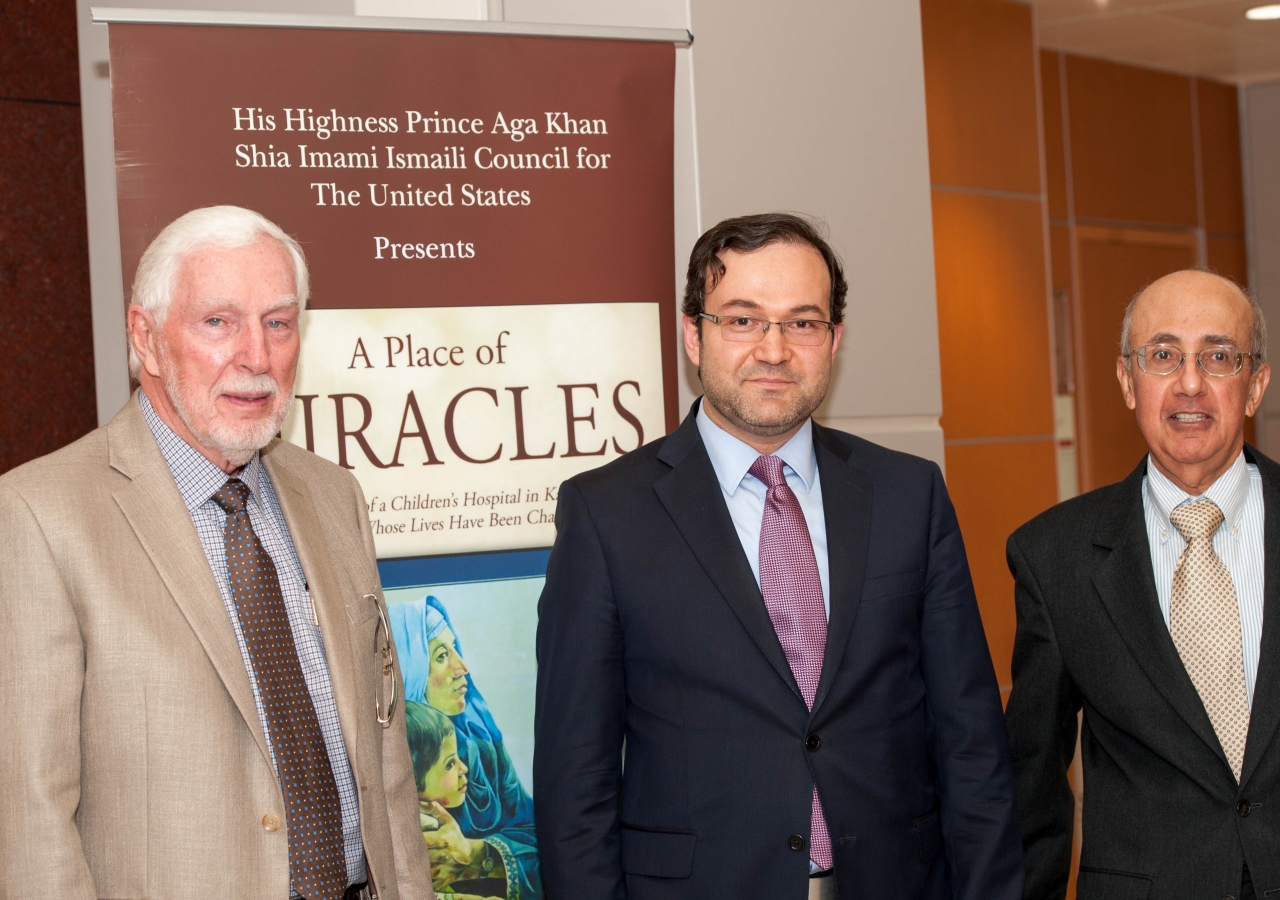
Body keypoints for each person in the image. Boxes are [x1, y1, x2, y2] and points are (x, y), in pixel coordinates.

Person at [534, 212, 1023, 900]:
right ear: (692, 335)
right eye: (742, 320)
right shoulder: (607, 515)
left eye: (802, 322)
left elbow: (971, 743)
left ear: (834, 339)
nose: (773, 349)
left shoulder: (909, 496)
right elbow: (572, 783)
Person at [0, 206, 431, 900]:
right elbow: (28, 819)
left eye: (278, 323)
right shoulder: (40, 517)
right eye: (218, 322)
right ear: (147, 338)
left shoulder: (334, 497)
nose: (256, 357)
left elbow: (386, 759)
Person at [1005, 269, 1279, 899]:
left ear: (1255, 385)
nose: (1190, 382)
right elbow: (1033, 785)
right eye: (1162, 355)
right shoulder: (1054, 556)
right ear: (1128, 381)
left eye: (1218, 356)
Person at [391, 597, 541, 899]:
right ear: (411, 665)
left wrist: (475, 854)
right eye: (442, 655)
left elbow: (538, 831)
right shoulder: (388, 767)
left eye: (455, 648)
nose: (462, 668)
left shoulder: (481, 741)